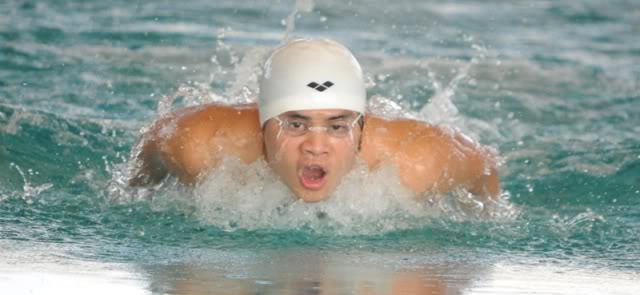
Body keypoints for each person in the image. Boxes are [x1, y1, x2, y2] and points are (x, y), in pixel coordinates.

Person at [129, 38, 500, 203]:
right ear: (262, 123)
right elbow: (153, 143)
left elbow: (485, 168)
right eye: (295, 124)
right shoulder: (201, 145)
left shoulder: (417, 161)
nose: (316, 145)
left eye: (337, 126)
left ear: (360, 130)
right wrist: (136, 193)